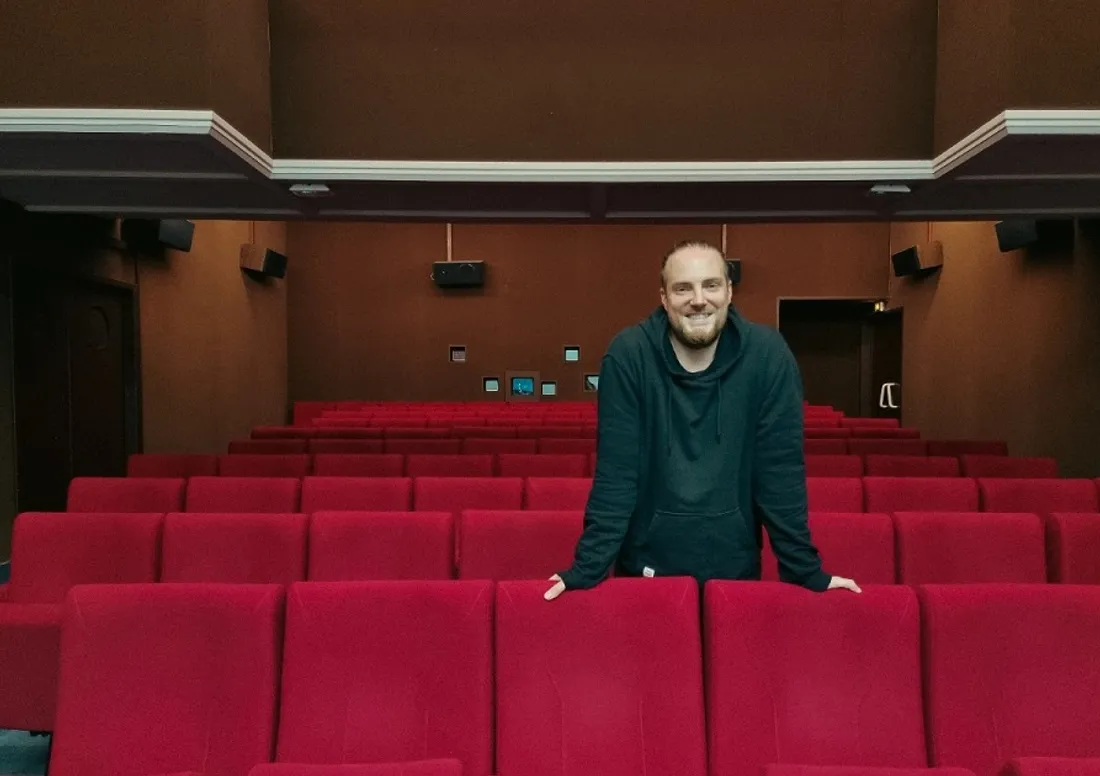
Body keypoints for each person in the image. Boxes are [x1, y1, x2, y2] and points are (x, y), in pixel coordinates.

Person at [545, 240, 860, 600]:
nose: (698, 299)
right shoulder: (628, 356)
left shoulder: (768, 356)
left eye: (710, 285)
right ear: (664, 299)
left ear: (728, 291)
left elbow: (779, 471)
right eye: (683, 288)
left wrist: (804, 570)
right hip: (644, 568)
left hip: (735, 569)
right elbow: (616, 474)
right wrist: (588, 567)